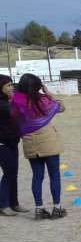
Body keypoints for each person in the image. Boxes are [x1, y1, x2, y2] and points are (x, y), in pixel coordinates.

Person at [9, 73, 66, 220]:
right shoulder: (43, 100)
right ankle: (57, 207)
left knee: (37, 176)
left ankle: (39, 209)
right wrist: (48, 93)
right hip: (49, 142)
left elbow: (15, 122)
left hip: (30, 143)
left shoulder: (16, 103)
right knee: (54, 175)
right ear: (38, 86)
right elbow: (60, 107)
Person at [0, 75, 29, 216]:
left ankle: (14, 203)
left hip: (12, 141)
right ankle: (3, 204)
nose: (11, 87)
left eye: (12, 84)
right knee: (9, 172)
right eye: (8, 85)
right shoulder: (2, 103)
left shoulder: (8, 100)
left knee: (14, 173)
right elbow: (15, 112)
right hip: (2, 143)